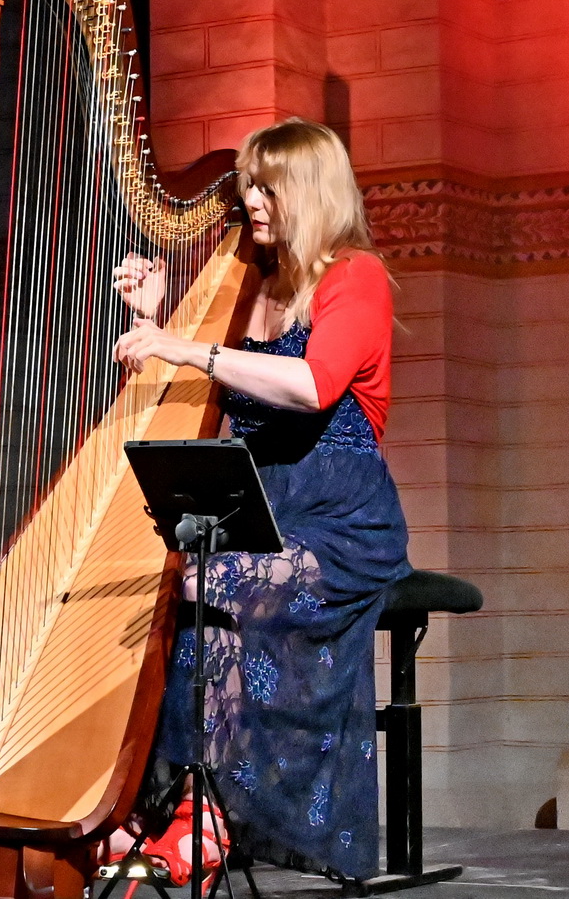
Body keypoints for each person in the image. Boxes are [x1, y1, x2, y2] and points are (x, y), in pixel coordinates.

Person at [111, 118, 411, 882]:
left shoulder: (355, 276)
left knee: (213, 585)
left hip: (342, 522)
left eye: (268, 188)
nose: (250, 201)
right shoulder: (248, 285)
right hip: (261, 509)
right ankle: (162, 806)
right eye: (248, 186)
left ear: (310, 192)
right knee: (170, 589)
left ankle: (203, 818)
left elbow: (312, 387)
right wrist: (153, 321)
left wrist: (183, 345)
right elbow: (198, 398)